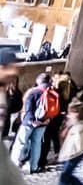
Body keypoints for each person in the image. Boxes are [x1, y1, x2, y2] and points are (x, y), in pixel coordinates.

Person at [13, 72, 56, 174]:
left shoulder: (34, 92)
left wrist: (32, 120)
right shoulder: (52, 92)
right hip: (44, 122)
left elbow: (28, 108)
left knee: (20, 142)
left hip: (30, 122)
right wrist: (47, 119)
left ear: (38, 81)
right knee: (37, 144)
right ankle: (34, 167)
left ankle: (14, 165)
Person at [0, 47, 24, 185]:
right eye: (10, 67)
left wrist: (13, 95)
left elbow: (16, 107)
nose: (14, 71)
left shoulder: (7, 90)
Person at [57, 101, 83, 185]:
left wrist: (69, 125)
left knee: (64, 176)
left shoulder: (82, 125)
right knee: (67, 175)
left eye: (71, 113)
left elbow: (74, 139)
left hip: (75, 154)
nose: (68, 115)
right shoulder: (81, 123)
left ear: (78, 114)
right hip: (74, 153)